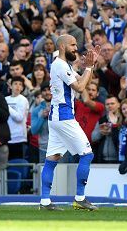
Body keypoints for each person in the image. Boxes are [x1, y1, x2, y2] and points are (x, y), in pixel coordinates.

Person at [39, 35, 100, 211]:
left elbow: (83, 80)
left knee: (52, 159)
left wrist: (91, 65)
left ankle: (45, 202)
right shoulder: (59, 65)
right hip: (64, 117)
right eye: (73, 45)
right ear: (63, 46)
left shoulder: (64, 65)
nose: (76, 48)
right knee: (87, 154)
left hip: (57, 118)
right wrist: (88, 67)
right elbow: (80, 88)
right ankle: (80, 199)